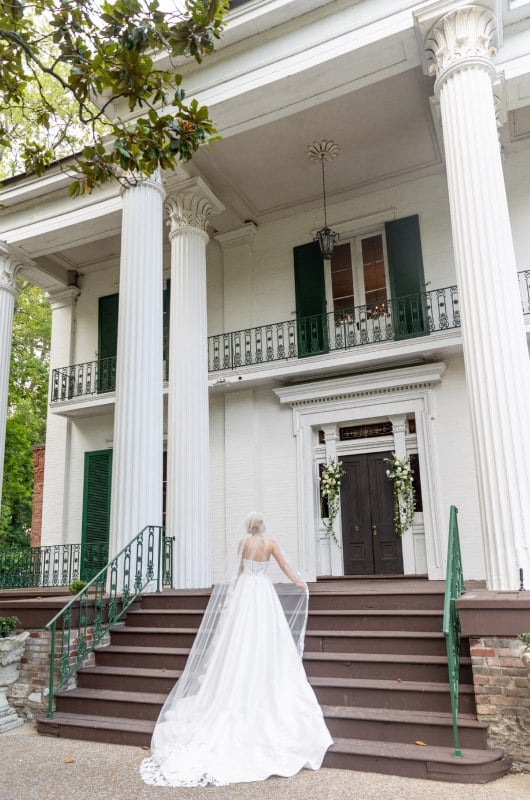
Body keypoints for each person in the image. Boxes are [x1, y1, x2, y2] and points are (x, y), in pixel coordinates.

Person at [140, 511, 333, 787]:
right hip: (263, 591)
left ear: (248, 526)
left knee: (237, 637)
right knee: (266, 635)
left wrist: (233, 591)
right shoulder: (270, 544)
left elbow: (239, 571)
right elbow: (284, 566)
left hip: (245, 590)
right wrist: (299, 581)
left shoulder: (243, 543)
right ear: (263, 526)